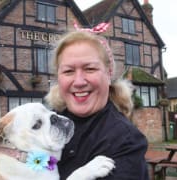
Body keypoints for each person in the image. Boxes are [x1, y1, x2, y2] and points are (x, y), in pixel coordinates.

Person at [45, 28, 149, 179]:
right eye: (68, 71)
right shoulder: (45, 125)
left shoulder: (126, 140)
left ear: (108, 74)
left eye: (90, 69)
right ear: (58, 78)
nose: (79, 81)